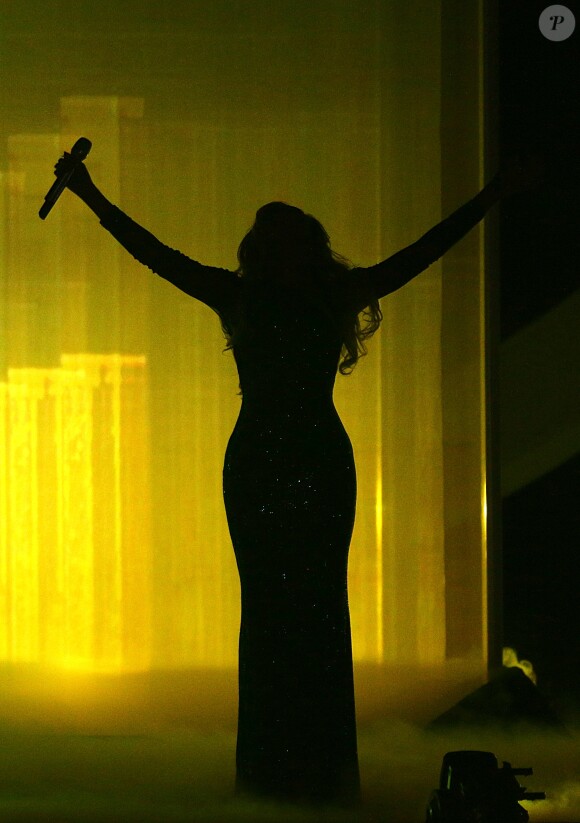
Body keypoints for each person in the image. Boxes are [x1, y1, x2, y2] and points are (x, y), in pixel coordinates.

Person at [52, 148, 544, 809]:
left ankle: (283, 777)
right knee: (293, 613)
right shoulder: (296, 295)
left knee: (294, 614)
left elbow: (155, 254)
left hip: (283, 461)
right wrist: (88, 195)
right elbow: (155, 253)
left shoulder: (248, 296)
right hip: (291, 461)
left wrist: (492, 196)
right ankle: (306, 776)